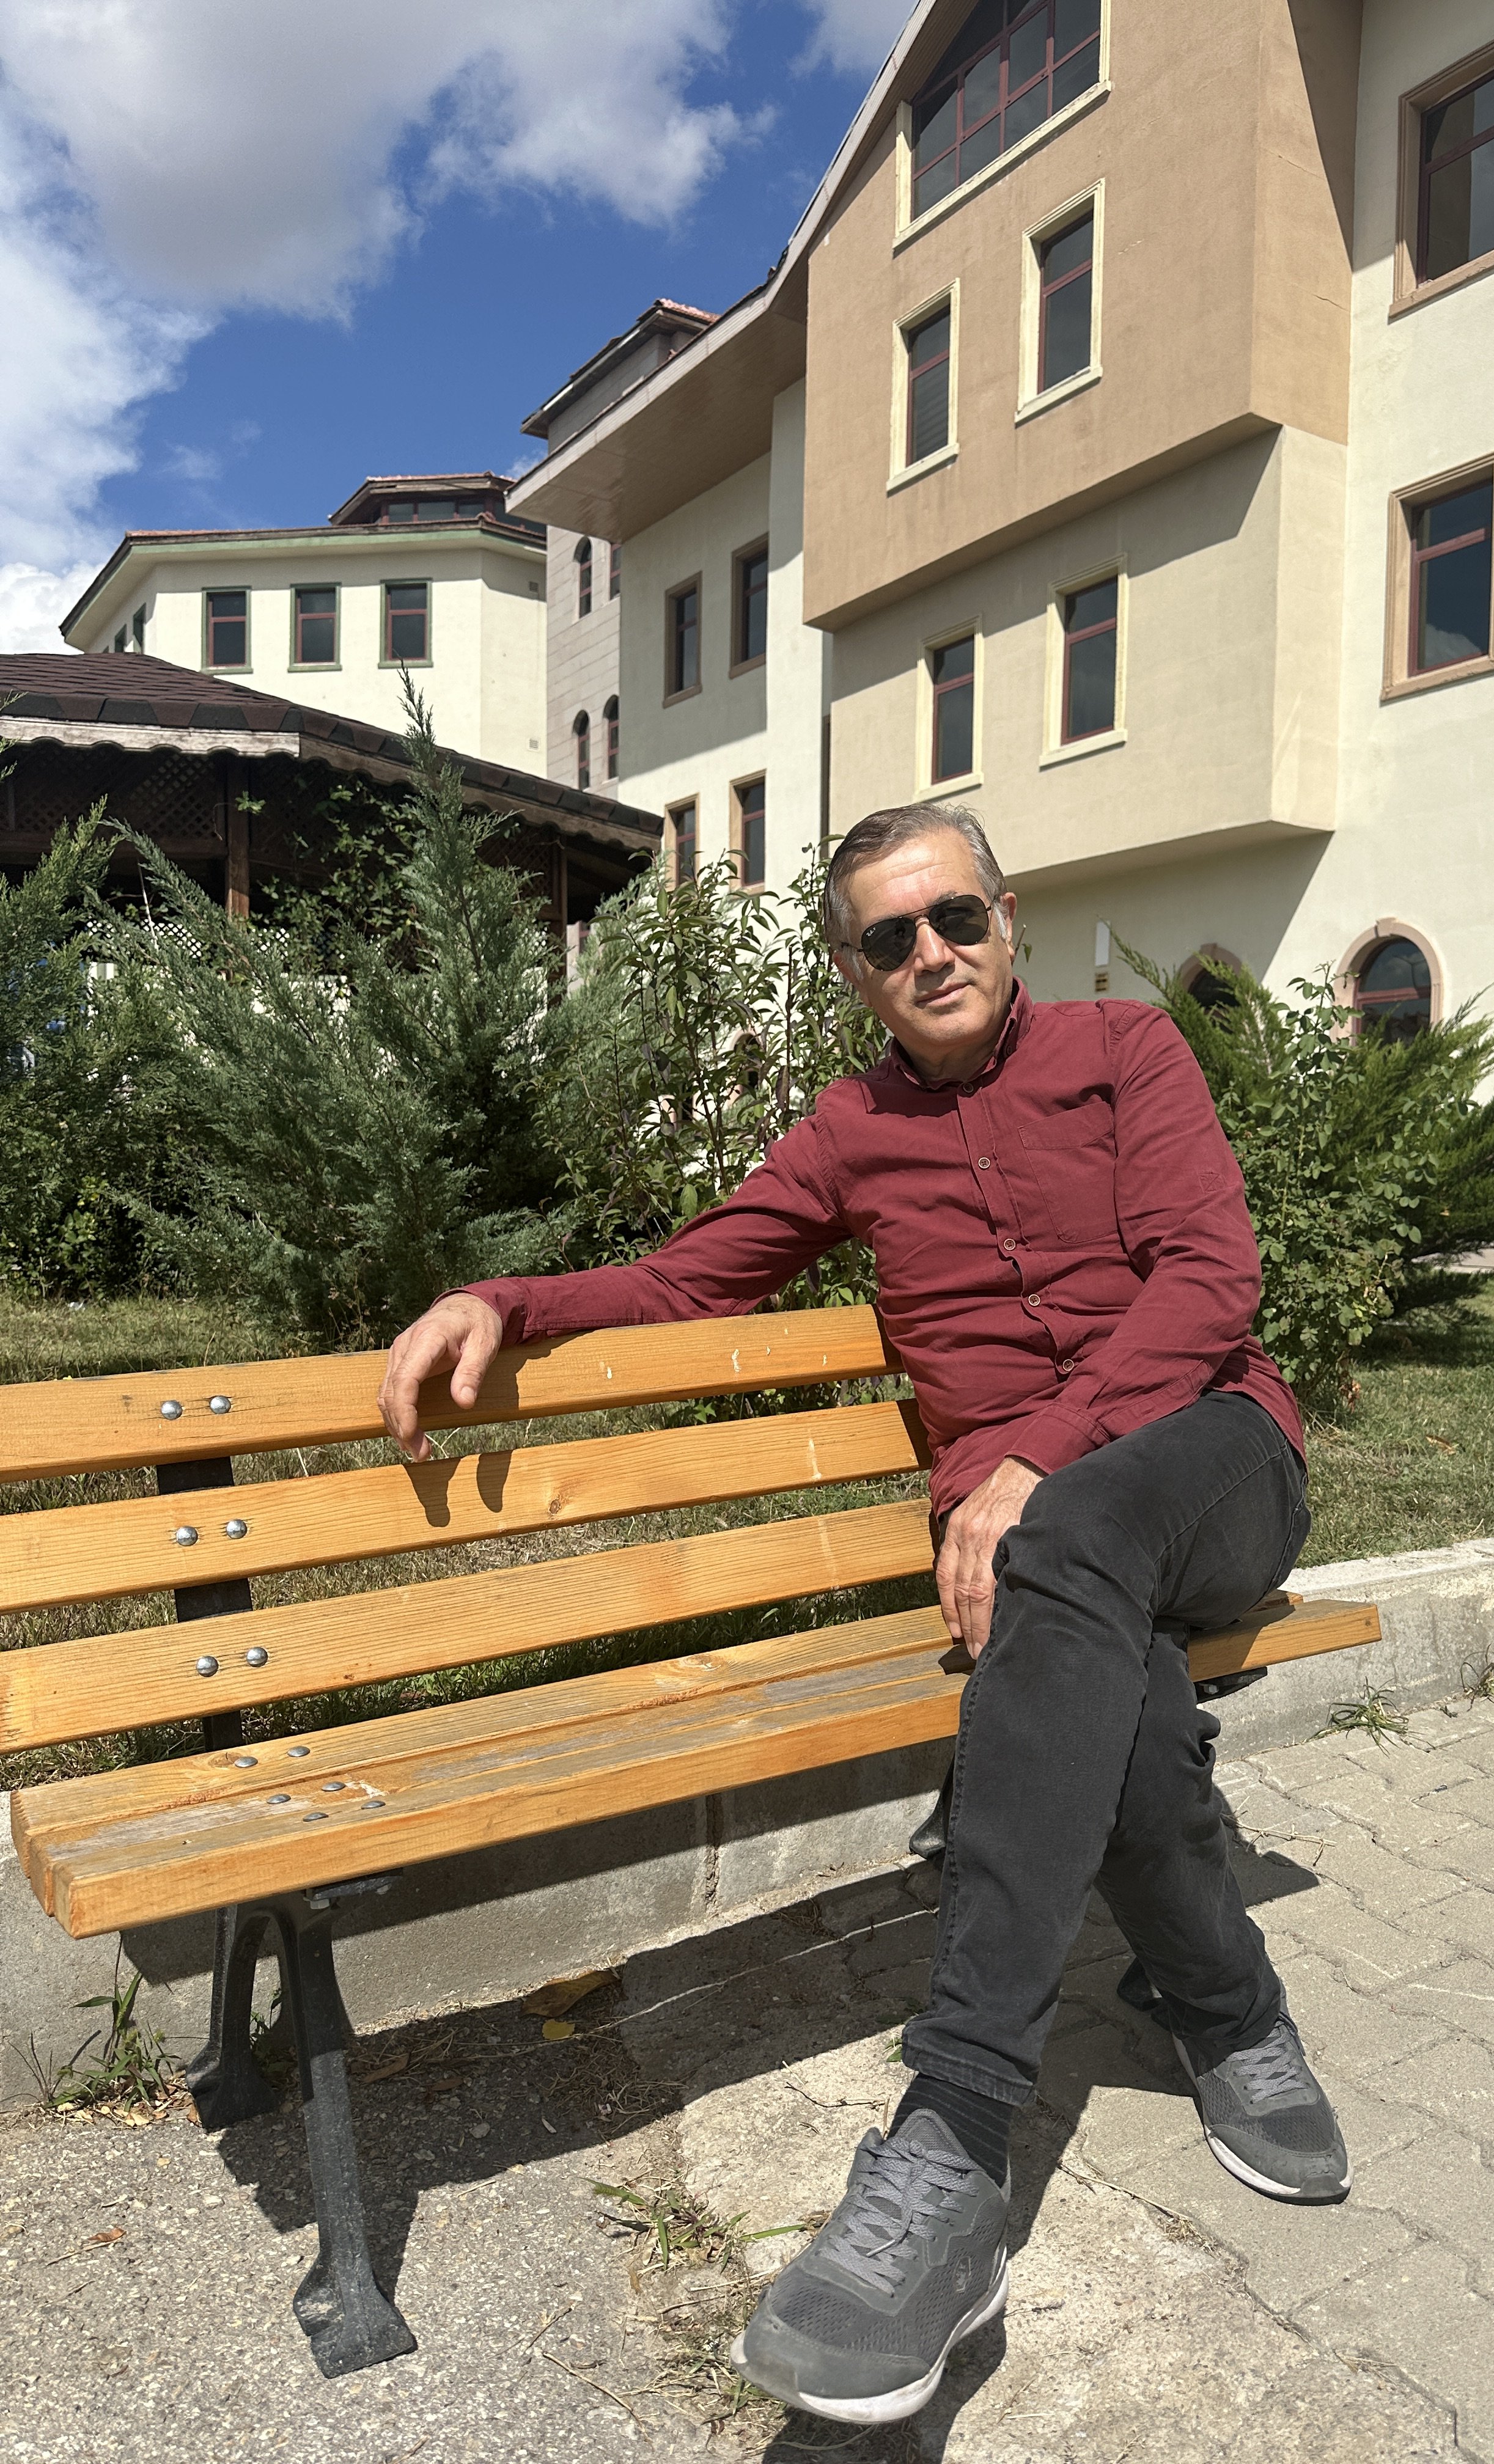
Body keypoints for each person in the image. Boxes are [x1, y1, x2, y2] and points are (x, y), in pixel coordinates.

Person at [377, 804, 1348, 2429]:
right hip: (1037, 1546)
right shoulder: (848, 1132)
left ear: (1008, 917)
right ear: (853, 971)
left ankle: (953, 2123)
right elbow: (689, 1282)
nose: (932, 954)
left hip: (1213, 1459)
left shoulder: (1127, 1052)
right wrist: (505, 1300)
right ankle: (1226, 2004)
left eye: (955, 916)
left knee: (1068, 1544)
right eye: (891, 938)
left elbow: (1209, 1284)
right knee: (1105, 1664)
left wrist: (1038, 1457)